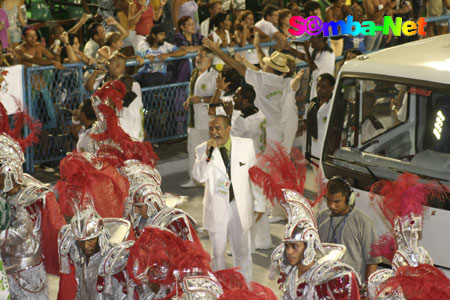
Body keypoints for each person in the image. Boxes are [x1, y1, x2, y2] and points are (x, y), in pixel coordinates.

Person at [249, 143, 362, 300]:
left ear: (308, 246)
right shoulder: (290, 272)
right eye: (287, 245)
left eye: (295, 246)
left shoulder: (332, 279)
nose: (289, 252)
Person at [192, 115, 265, 282]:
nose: (214, 132)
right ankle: (219, 288)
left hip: (239, 206)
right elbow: (199, 177)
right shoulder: (202, 149)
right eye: (211, 128)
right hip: (216, 209)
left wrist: (259, 203)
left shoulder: (245, 146)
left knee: (242, 251)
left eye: (218, 128)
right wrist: (208, 156)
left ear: (228, 128)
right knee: (217, 253)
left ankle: (245, 288)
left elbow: (254, 176)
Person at [222, 84, 272, 252]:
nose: (233, 99)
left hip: (248, 166)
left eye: (236, 96)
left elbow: (228, 140)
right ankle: (263, 240)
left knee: (245, 206)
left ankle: (246, 245)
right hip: (261, 162)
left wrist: (228, 115)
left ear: (245, 100)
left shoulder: (243, 120)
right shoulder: (259, 113)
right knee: (260, 203)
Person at [58, 206, 134, 299]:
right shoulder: (81, 258)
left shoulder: (112, 264)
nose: (85, 246)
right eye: (81, 242)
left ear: (100, 237)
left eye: (90, 240)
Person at [317, 176, 382, 281]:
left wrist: (367, 290)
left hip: (351, 284)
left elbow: (372, 261)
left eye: (337, 202)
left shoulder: (363, 222)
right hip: (323, 281)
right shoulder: (322, 217)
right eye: (328, 200)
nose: (331, 206)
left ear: (349, 199)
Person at [180, 46, 218, 188]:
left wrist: (201, 100)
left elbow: (217, 98)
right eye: (197, 55)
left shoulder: (214, 76)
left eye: (201, 56)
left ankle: (209, 179)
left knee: (209, 151)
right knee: (192, 150)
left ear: (209, 59)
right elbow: (193, 94)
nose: (198, 58)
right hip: (194, 120)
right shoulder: (195, 72)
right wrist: (189, 100)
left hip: (208, 121)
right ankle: (194, 179)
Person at [284, 34, 335, 101]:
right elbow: (304, 57)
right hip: (314, 87)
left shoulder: (328, 53)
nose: (310, 40)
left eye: (313, 37)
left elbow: (313, 66)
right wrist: (289, 48)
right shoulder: (316, 51)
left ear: (320, 39)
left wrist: (307, 50)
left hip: (323, 91)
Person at [303, 73, 335, 161]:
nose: (318, 89)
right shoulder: (312, 104)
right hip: (313, 152)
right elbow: (306, 123)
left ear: (332, 88)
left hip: (328, 153)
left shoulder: (335, 106)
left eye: (323, 87)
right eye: (318, 86)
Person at [171, 16, 203, 82]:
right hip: (181, 69)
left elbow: (208, 44)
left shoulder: (197, 36)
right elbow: (184, 49)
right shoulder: (178, 37)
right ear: (182, 27)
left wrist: (194, 49)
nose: (193, 26)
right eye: (189, 24)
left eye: (193, 24)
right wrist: (201, 47)